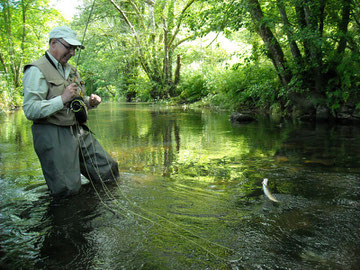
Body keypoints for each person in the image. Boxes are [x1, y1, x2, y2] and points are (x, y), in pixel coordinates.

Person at [23, 26, 119, 197]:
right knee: (68, 191)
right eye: (69, 47)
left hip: (78, 131)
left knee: (108, 170)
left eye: (75, 48)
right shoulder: (36, 70)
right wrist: (62, 99)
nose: (73, 52)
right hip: (52, 133)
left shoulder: (72, 70)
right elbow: (30, 110)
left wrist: (89, 101)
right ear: (53, 43)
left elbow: (76, 101)